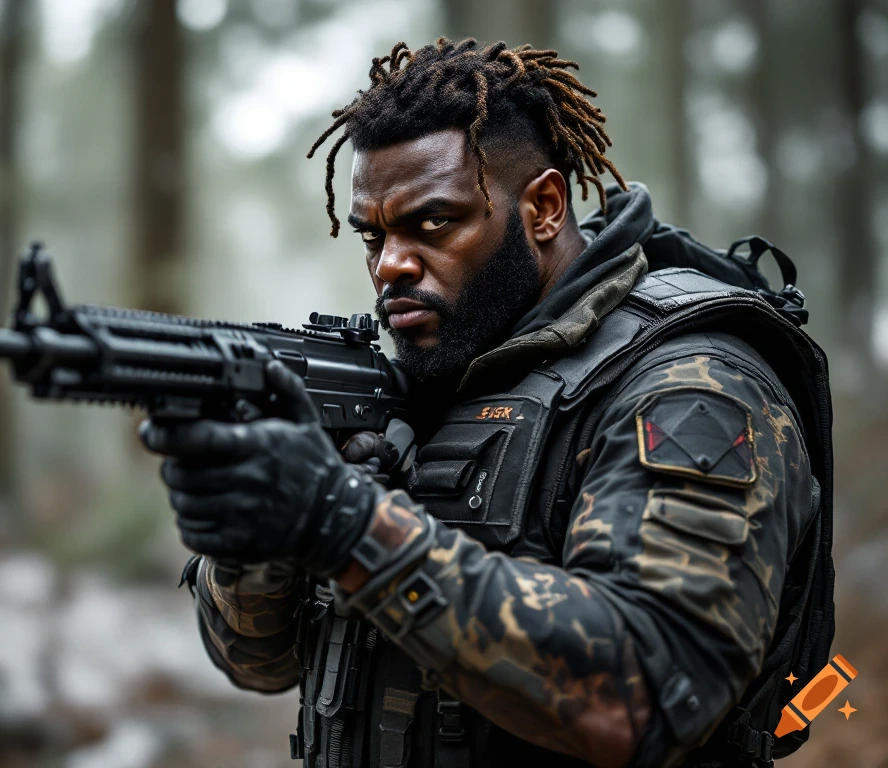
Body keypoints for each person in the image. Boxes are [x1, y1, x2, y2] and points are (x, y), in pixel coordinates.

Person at [139, 38, 834, 768]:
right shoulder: (435, 372)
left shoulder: (692, 384)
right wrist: (259, 536)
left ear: (542, 206)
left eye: (433, 222)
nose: (390, 265)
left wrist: (343, 521)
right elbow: (257, 662)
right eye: (372, 235)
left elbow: (646, 691)